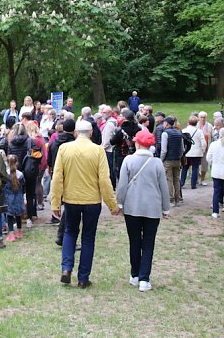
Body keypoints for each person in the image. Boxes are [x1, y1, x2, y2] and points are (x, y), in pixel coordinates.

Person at [50, 119, 120, 289]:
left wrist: (55, 202)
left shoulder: (64, 149)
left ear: (75, 133)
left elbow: (57, 177)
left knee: (70, 232)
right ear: (90, 133)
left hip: (71, 200)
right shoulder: (98, 151)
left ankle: (66, 269)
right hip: (92, 201)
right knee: (88, 238)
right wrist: (112, 204)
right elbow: (104, 180)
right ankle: (83, 278)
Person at [115, 129, 170, 292]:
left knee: (134, 241)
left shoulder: (128, 160)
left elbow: (122, 185)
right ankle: (144, 278)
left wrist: (119, 204)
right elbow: (164, 188)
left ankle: (135, 275)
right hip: (152, 208)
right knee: (148, 243)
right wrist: (166, 208)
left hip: (132, 207)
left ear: (137, 143)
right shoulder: (157, 163)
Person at [3, 155, 25, 242]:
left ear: (7, 163)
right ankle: (19, 232)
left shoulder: (5, 174)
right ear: (17, 163)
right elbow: (23, 185)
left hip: (8, 197)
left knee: (10, 216)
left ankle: (11, 234)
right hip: (18, 197)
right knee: (18, 215)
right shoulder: (20, 174)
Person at [181, 116, 206, 190]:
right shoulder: (199, 131)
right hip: (197, 152)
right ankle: (193, 184)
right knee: (195, 168)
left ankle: (182, 182)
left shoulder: (183, 130)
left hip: (186, 152)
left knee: (185, 168)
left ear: (188, 122)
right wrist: (203, 150)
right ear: (196, 123)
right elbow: (203, 143)